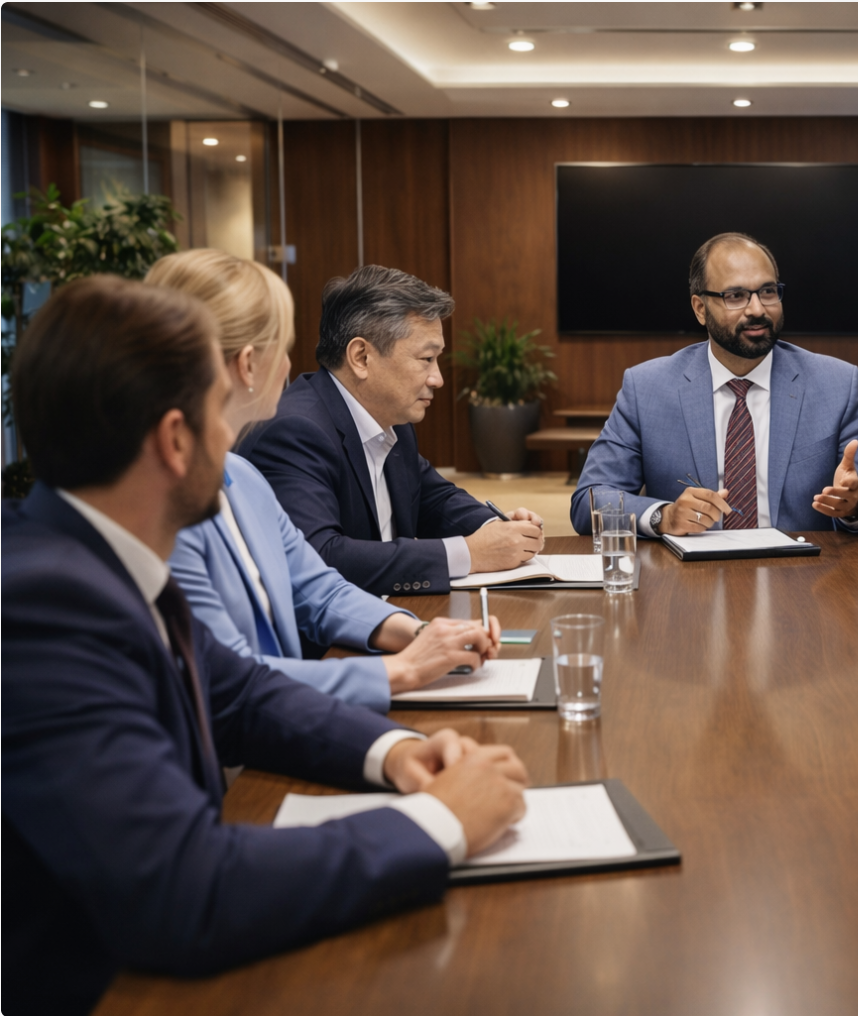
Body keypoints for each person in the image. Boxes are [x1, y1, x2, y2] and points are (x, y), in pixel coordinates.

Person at [3, 276, 531, 1016]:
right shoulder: (43, 611)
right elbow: (186, 890)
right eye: (220, 414)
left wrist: (396, 753)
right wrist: (440, 821)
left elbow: (241, 694)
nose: (235, 437)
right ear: (176, 441)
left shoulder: (105, 559)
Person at [148, 251, 497, 712]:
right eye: (284, 345)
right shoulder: (163, 506)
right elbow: (231, 679)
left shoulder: (242, 477)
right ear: (249, 365)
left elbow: (319, 589)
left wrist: (419, 633)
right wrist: (402, 670)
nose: (293, 364)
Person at [239, 265, 545, 596]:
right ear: (361, 357)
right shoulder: (296, 431)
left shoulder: (389, 419)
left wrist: (496, 527)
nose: (437, 378)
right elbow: (320, 558)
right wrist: (469, 554)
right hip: (328, 645)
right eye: (426, 359)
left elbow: (434, 498)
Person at [569, 232, 858, 537]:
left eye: (768, 292)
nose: (757, 309)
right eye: (735, 296)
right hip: (688, 585)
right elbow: (588, 502)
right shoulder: (647, 388)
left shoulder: (835, 384)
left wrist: (857, 506)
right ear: (700, 308)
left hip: (803, 580)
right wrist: (663, 516)